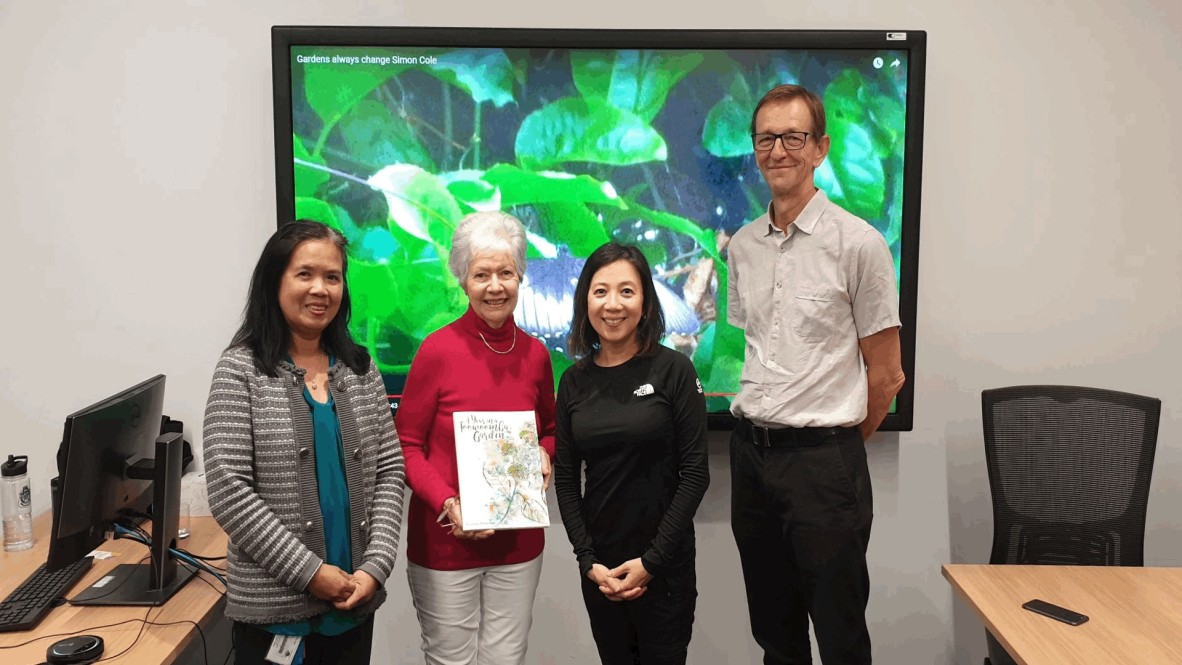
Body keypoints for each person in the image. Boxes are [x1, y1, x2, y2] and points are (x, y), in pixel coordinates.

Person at [727, 84, 906, 665]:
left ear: (820, 148)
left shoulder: (860, 244)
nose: (778, 150)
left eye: (793, 137)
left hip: (825, 466)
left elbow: (886, 375)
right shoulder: (745, 247)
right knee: (774, 635)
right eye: (766, 139)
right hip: (751, 459)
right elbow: (755, 348)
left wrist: (835, 448)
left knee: (840, 636)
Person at [203, 220, 406, 665]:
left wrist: (375, 567)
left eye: (332, 277)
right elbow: (228, 489)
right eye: (305, 274)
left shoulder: (359, 368)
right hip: (276, 615)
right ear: (274, 281)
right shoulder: (240, 370)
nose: (321, 289)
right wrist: (310, 573)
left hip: (353, 604)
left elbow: (390, 470)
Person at [396, 211, 557, 665]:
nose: (495, 286)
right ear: (463, 281)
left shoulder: (536, 355)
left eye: (506, 273)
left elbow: (549, 428)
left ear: (521, 275)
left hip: (518, 545)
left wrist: (545, 455)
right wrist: (449, 503)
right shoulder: (436, 350)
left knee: (506, 660)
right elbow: (406, 445)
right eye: (481, 274)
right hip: (446, 542)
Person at [554, 242, 710, 665]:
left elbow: (696, 474)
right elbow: (566, 479)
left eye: (627, 291)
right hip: (600, 571)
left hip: (664, 568)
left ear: (645, 301)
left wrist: (652, 562)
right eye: (600, 291)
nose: (613, 305)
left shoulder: (674, 370)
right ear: (585, 298)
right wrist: (587, 560)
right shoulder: (573, 381)